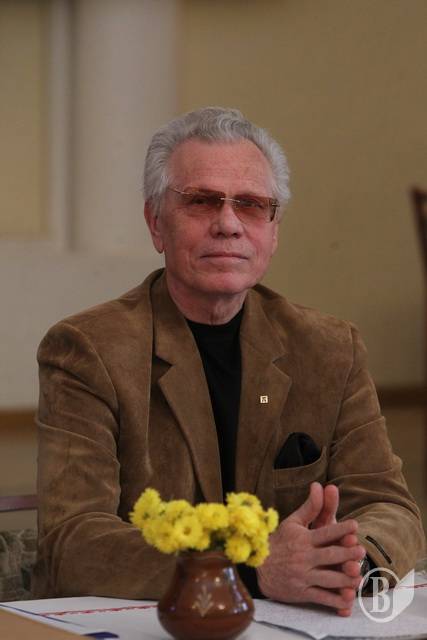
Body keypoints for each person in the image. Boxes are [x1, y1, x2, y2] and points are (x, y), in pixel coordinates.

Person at [33, 107, 425, 615]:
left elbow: (389, 507)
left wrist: (346, 565)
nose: (227, 224)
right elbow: (73, 542)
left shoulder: (330, 348)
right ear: (156, 223)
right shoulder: (87, 349)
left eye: (252, 205)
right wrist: (249, 571)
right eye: (200, 201)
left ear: (273, 230)